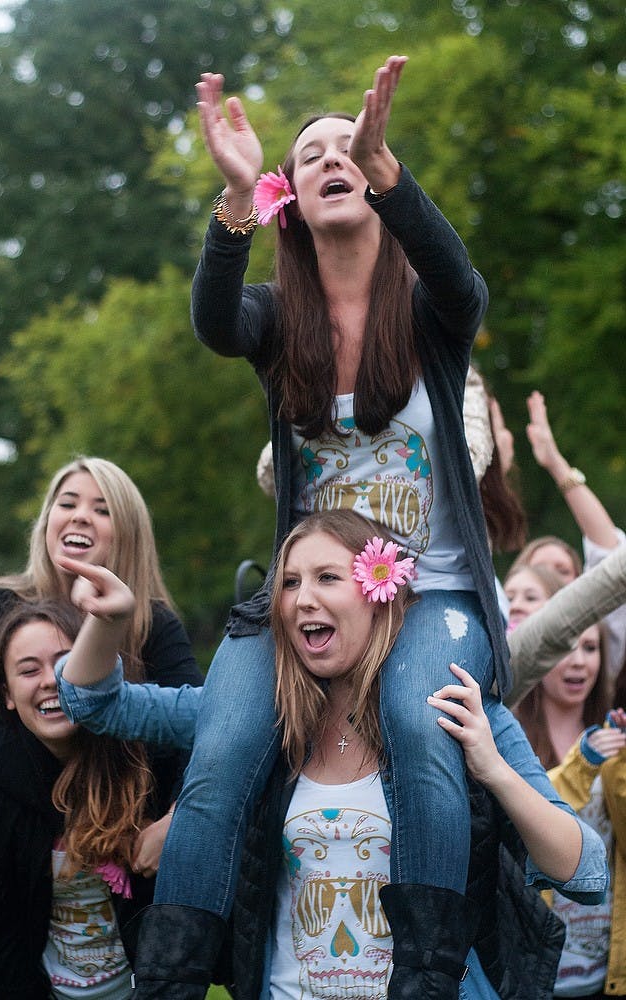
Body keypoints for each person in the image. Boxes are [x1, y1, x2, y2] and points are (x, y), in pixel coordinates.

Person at [148, 54, 513, 998]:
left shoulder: (428, 312)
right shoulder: (279, 320)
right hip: (308, 595)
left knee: (419, 724)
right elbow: (214, 322)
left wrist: (392, 173)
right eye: (307, 154)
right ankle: (174, 979)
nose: (330, 156)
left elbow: (464, 285)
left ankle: (427, 975)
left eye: (346, 147)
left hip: (429, 594)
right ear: (291, 199)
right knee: (222, 750)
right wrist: (232, 198)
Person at [54, 510, 608, 1000]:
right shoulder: (257, 718)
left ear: (378, 593)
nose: (303, 599)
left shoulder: (457, 713)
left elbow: (583, 871)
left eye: (327, 578)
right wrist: (109, 621)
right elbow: (97, 704)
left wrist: (493, 768)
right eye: (290, 583)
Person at [0, 456, 203, 892]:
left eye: (102, 509)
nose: (79, 515)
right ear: (47, 520)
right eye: (67, 502)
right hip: (25, 842)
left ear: (127, 533)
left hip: (139, 862)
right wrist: (101, 822)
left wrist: (176, 818)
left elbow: (202, 734)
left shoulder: (155, 624)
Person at [0, 600, 161, 999]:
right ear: (6, 695)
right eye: (28, 670)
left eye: (64, 661)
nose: (50, 681)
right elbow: (6, 937)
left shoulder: (142, 761)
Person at [514, 624, 622, 997]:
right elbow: (523, 821)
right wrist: (582, 764)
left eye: (590, 648)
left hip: (603, 966)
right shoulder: (510, 734)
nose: (578, 662)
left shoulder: (612, 735)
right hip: (533, 965)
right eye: (565, 647)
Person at [510, 389, 626, 680]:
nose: (549, 580)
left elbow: (612, 557)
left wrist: (555, 462)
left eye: (562, 571)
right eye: (538, 572)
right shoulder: (501, 659)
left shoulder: (596, 645)